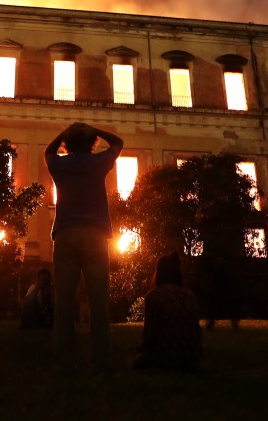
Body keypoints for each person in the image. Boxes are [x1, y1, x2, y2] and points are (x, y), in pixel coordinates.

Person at [45, 122, 124, 371]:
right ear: (91, 144)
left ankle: (64, 357)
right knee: (98, 300)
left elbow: (48, 151)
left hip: (66, 234)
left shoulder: (59, 164)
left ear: (68, 144)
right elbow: (118, 143)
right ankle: (101, 358)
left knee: (64, 301)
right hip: (95, 235)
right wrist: (94, 129)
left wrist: (65, 131)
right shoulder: (97, 162)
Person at [134, 251, 202, 372]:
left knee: (137, 361)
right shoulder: (190, 295)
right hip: (191, 357)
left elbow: (149, 335)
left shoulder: (153, 296)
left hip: (165, 356)